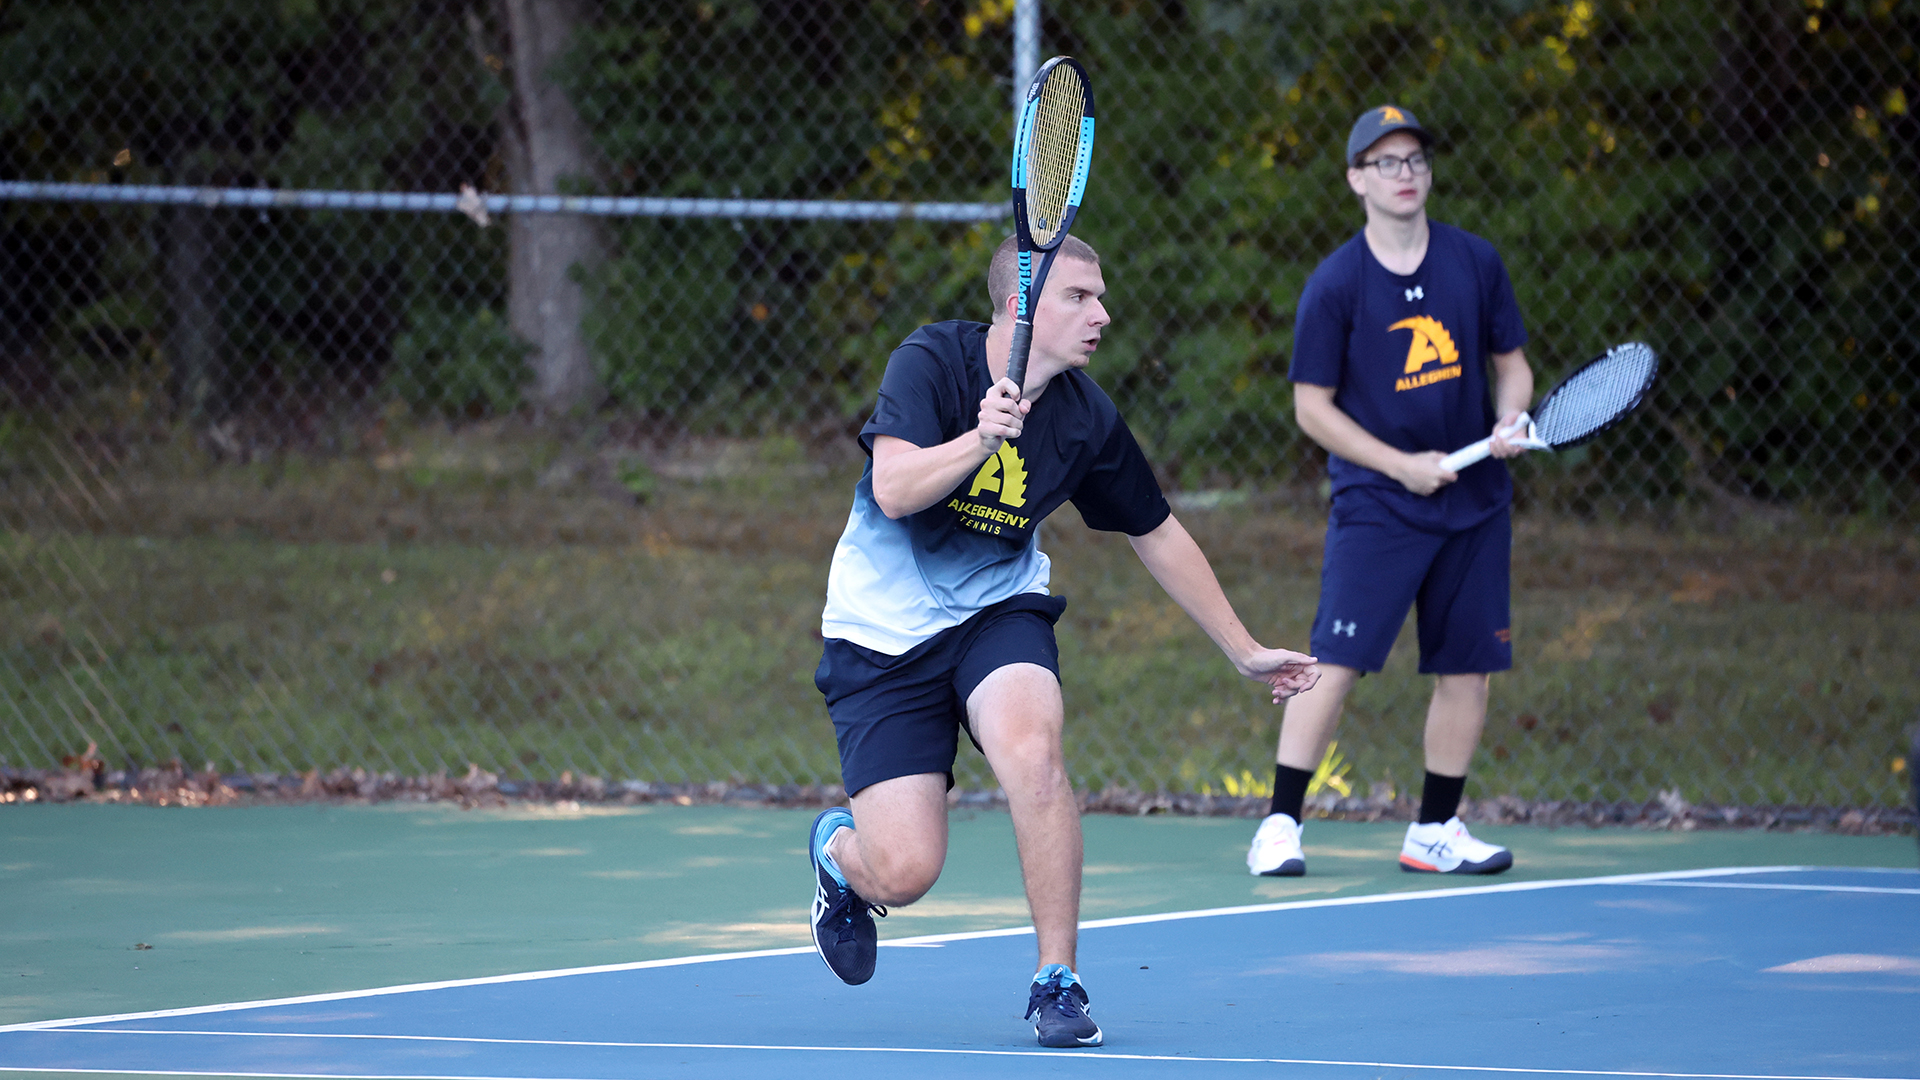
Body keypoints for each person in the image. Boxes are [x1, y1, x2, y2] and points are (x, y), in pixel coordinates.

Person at [809, 233, 1320, 1048]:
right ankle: (840, 860)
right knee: (905, 872)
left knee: (1034, 755)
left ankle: (1058, 978)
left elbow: (1155, 532)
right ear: (1020, 303)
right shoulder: (932, 362)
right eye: (1081, 297)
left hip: (996, 612)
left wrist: (1243, 647)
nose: (1103, 315)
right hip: (883, 636)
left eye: (1101, 296)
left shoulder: (1084, 417)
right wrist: (979, 438)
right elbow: (893, 488)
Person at [1246, 105, 1534, 879]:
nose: (1403, 175)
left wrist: (1511, 414)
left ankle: (1436, 829)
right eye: (1385, 163)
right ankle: (1279, 823)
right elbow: (1313, 408)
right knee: (1334, 660)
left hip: (1474, 499)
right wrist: (1397, 465)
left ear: (1428, 174)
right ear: (1355, 180)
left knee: (1466, 668)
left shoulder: (1475, 262)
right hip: (1378, 504)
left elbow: (1511, 362)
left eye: (1413, 160)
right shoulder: (1336, 284)